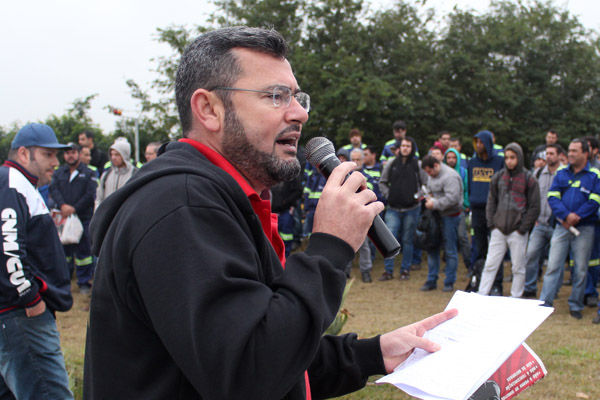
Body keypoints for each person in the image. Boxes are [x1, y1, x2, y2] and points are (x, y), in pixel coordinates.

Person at [83, 26, 457, 399]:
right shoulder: (181, 207)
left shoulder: (220, 198)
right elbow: (251, 374)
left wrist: (371, 354)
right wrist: (329, 248)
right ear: (209, 109)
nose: (299, 114)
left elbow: (267, 343)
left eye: (297, 97)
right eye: (276, 96)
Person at [0, 123, 73, 399]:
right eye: (47, 155)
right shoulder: (12, 184)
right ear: (23, 154)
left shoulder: (19, 185)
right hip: (21, 317)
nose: (55, 163)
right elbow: (8, 249)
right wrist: (31, 300)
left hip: (15, 318)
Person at [539, 139, 600, 320]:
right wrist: (565, 216)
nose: (570, 154)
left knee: (581, 269)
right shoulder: (562, 173)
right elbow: (552, 196)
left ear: (585, 154)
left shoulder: (594, 175)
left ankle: (575, 304)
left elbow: (595, 201)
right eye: (570, 150)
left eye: (575, 151)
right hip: (562, 226)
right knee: (553, 265)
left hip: (585, 228)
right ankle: (545, 304)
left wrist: (576, 217)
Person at [477, 143, 540, 298]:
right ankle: (482, 294)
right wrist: (492, 224)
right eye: (506, 158)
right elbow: (491, 202)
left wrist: (522, 228)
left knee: (518, 267)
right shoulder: (498, 177)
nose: (509, 161)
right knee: (490, 264)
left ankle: (516, 297)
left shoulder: (529, 179)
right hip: (498, 229)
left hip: (517, 231)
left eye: (513, 157)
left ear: (519, 157)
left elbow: (534, 207)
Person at [49, 143, 98, 294]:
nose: (70, 155)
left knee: (84, 253)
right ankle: (65, 279)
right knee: (64, 252)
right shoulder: (59, 173)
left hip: (82, 217)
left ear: (78, 153)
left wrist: (74, 208)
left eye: (73, 152)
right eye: (67, 153)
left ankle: (83, 282)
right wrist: (63, 205)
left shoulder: (88, 173)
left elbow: (90, 195)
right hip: (63, 218)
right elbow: (53, 189)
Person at [378, 137, 428, 281]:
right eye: (403, 146)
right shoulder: (392, 163)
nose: (405, 148)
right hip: (393, 209)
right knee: (389, 239)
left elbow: (425, 185)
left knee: (407, 241)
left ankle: (405, 270)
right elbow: (382, 182)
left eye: (408, 146)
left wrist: (416, 197)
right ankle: (388, 271)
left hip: (412, 209)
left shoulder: (418, 165)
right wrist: (389, 196)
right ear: (399, 148)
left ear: (412, 148)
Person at [468, 130, 505, 293]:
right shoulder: (472, 162)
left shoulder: (499, 162)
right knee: (479, 248)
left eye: (481, 142)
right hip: (476, 210)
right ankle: (479, 281)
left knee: (496, 249)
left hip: (494, 211)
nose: (478, 145)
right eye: (476, 142)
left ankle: (497, 284)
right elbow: (469, 182)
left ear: (488, 143)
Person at [523, 144, 561, 298]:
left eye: (552, 153)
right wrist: (533, 218)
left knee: (554, 261)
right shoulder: (538, 173)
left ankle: (553, 290)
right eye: (547, 154)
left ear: (559, 155)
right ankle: (530, 288)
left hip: (557, 224)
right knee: (531, 254)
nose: (548, 157)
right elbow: (531, 198)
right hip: (539, 223)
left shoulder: (564, 174)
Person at [420, 155, 463, 292]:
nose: (429, 175)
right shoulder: (432, 175)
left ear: (436, 166)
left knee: (450, 250)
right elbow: (431, 189)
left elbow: (453, 198)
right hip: (436, 216)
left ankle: (449, 282)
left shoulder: (450, 177)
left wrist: (435, 203)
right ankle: (431, 280)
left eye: (430, 171)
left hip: (450, 216)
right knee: (432, 247)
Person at [444, 148, 471, 273]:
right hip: (445, 211)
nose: (451, 160)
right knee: (448, 238)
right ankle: (448, 265)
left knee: (462, 237)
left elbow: (466, 189)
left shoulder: (463, 172)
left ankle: (470, 265)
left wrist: (465, 204)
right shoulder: (442, 172)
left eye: (453, 158)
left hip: (460, 209)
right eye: (448, 157)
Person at [96, 137, 137, 204]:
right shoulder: (106, 174)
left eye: (117, 154)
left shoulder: (135, 174)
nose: (113, 157)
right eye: (111, 154)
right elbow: (99, 198)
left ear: (125, 155)